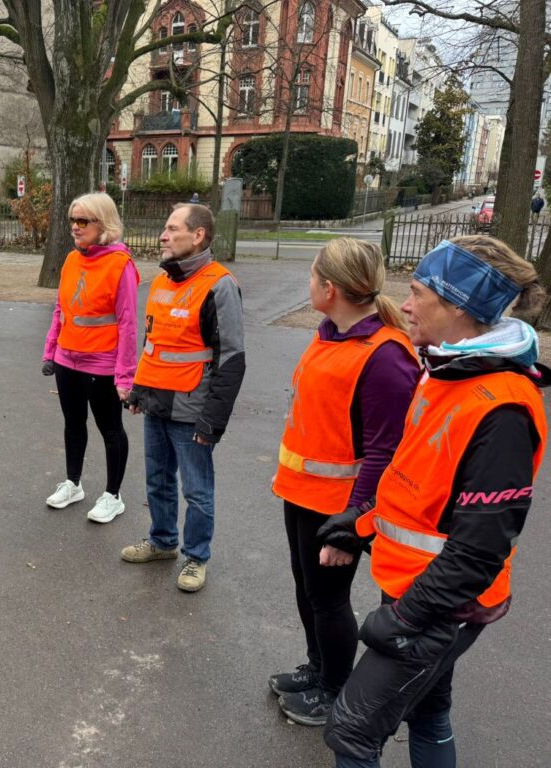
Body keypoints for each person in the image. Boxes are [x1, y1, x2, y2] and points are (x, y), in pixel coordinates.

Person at [320, 235, 548, 767]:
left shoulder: (502, 408)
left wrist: (404, 619)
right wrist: (362, 523)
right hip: (415, 585)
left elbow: (478, 551)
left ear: (459, 308)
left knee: (351, 732)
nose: (402, 303)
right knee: (427, 711)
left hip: (439, 603)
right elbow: (418, 483)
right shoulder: (444, 370)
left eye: (418, 292)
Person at [269, 239, 419, 727]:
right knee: (308, 589)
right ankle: (318, 669)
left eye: (312, 275)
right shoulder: (331, 333)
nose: (307, 283)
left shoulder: (386, 357)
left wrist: (352, 524)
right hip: (302, 493)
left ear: (329, 287)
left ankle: (336, 689)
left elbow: (385, 452)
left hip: (339, 507)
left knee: (329, 599)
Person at [120, 203, 245, 592]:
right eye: (165, 227)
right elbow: (154, 343)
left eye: (172, 229)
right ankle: (162, 542)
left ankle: (196, 557)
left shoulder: (219, 285)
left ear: (198, 236)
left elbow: (232, 359)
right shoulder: (160, 282)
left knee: (197, 491)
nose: (163, 235)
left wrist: (213, 420)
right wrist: (140, 389)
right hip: (157, 403)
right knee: (157, 480)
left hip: (192, 411)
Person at [42, 192, 139, 523]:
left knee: (110, 429)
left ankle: (113, 495)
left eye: (83, 221)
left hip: (102, 364)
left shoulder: (121, 265)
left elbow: (128, 325)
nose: (75, 227)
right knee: (73, 424)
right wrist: (50, 349)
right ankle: (73, 484)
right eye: (72, 220)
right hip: (67, 360)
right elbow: (61, 309)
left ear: (104, 224)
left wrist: (125, 376)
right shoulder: (71, 260)